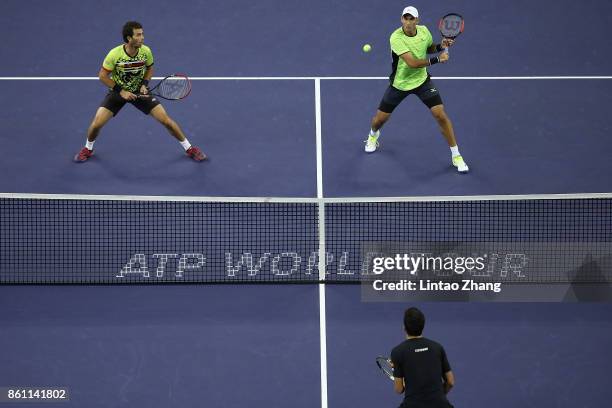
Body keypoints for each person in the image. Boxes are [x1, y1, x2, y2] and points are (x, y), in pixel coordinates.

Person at [74, 21, 206, 163]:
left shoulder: (146, 51)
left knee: (166, 121)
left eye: (142, 34)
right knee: (96, 124)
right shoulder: (114, 54)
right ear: (129, 38)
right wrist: (121, 91)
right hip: (118, 91)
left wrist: (144, 84)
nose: (142, 37)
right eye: (138, 35)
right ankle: (88, 148)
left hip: (139, 91)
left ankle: (189, 148)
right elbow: (102, 76)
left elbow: (150, 68)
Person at [365, 6, 468, 173]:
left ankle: (456, 155)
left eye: (411, 18)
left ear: (417, 21)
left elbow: (428, 49)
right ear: (401, 19)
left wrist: (441, 45)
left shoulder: (424, 31)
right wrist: (438, 60)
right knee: (379, 120)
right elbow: (412, 63)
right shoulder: (396, 38)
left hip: (422, 82)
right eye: (405, 18)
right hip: (400, 84)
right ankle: (372, 135)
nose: (407, 22)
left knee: (440, 115)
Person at [390, 307, 455, 408]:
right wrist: (437, 397)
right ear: (423, 326)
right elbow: (450, 382)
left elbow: (399, 389)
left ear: (404, 327)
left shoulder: (397, 352)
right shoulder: (437, 347)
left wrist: (396, 371)